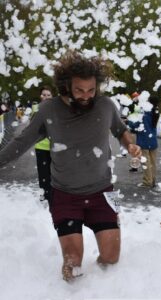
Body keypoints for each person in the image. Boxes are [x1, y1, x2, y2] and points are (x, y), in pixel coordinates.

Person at [0, 50, 141, 281]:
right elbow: (20, 142)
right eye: (79, 90)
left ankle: (102, 290)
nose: (86, 96)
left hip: (103, 192)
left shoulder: (105, 105)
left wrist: (130, 144)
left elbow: (121, 131)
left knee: (111, 257)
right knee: (72, 264)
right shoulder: (49, 110)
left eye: (91, 90)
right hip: (65, 194)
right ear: (66, 86)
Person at [128, 96, 160, 188]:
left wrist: (130, 121)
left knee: (145, 162)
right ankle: (153, 180)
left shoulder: (142, 111)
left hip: (143, 139)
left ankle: (147, 182)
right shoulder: (156, 112)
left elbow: (135, 124)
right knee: (153, 163)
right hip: (153, 140)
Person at [33, 85, 53, 202]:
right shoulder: (36, 108)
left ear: (52, 96)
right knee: (43, 174)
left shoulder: (56, 109)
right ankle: (44, 196)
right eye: (44, 95)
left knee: (55, 173)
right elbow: (32, 127)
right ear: (40, 96)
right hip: (40, 146)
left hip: (54, 146)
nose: (46, 97)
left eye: (48, 95)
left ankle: (54, 195)